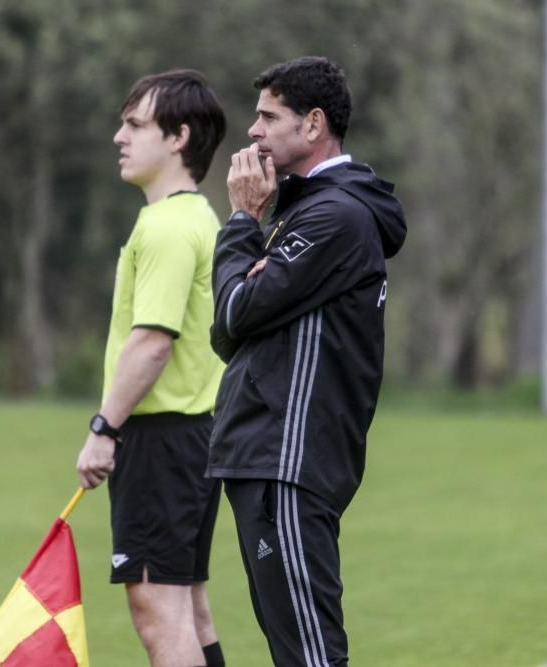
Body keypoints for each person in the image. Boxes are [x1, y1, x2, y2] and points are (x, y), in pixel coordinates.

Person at [208, 56, 407, 666]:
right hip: (268, 459)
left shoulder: (334, 216)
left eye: (269, 116)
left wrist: (243, 220)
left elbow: (236, 312)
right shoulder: (307, 209)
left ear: (313, 123)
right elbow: (235, 325)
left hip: (287, 462)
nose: (253, 131)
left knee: (311, 657)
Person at [76, 69, 227, 667]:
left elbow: (153, 342)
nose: (119, 136)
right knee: (189, 608)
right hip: (195, 440)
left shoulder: (167, 227)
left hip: (162, 443)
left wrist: (103, 429)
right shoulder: (197, 217)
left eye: (134, 124)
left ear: (178, 137)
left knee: (159, 615)